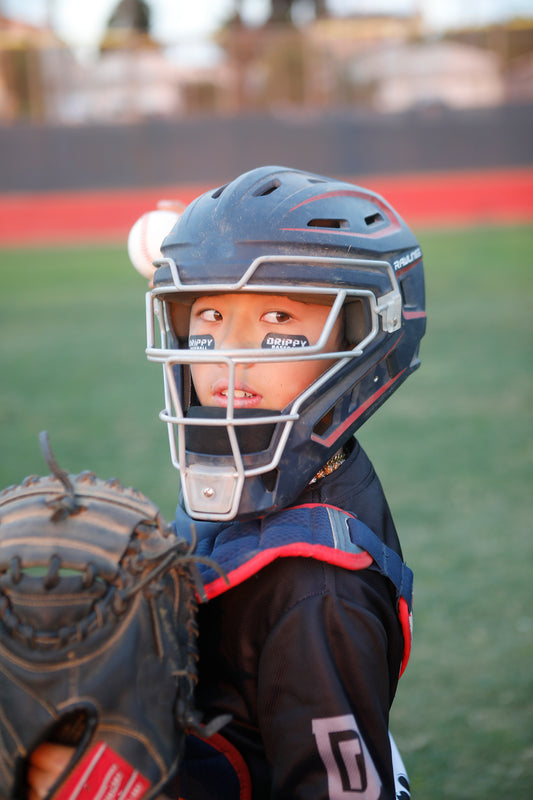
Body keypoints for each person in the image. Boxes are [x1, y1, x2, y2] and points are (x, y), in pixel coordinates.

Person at [27, 165, 426, 799]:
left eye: (276, 316)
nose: (228, 351)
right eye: (209, 314)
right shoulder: (262, 468)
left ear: (362, 336)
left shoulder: (315, 592)